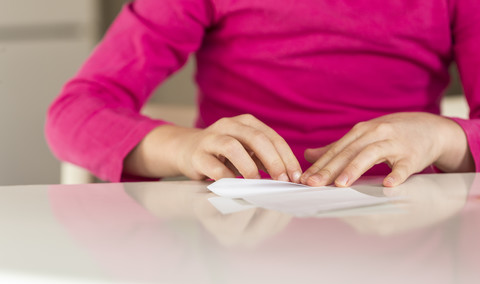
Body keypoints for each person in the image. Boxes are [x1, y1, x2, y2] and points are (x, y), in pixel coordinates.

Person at [45, 0, 479, 187]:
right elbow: (75, 112)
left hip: (415, 241)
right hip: (235, 243)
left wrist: (444, 137)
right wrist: (183, 147)